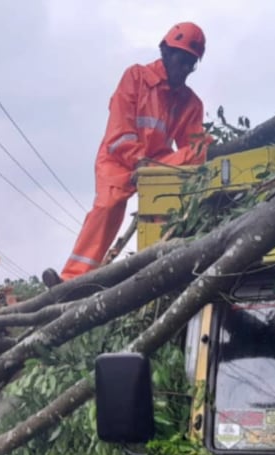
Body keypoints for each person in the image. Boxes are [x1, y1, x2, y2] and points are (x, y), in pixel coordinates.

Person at [44, 22, 209, 288]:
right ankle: (72, 279)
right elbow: (120, 132)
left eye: (191, 63)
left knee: (168, 201)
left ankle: (158, 273)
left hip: (157, 165)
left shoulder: (190, 103)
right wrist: (138, 162)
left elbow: (195, 149)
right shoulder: (136, 78)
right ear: (165, 52)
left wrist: (212, 151)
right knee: (107, 207)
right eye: (182, 60)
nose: (186, 69)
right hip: (118, 159)